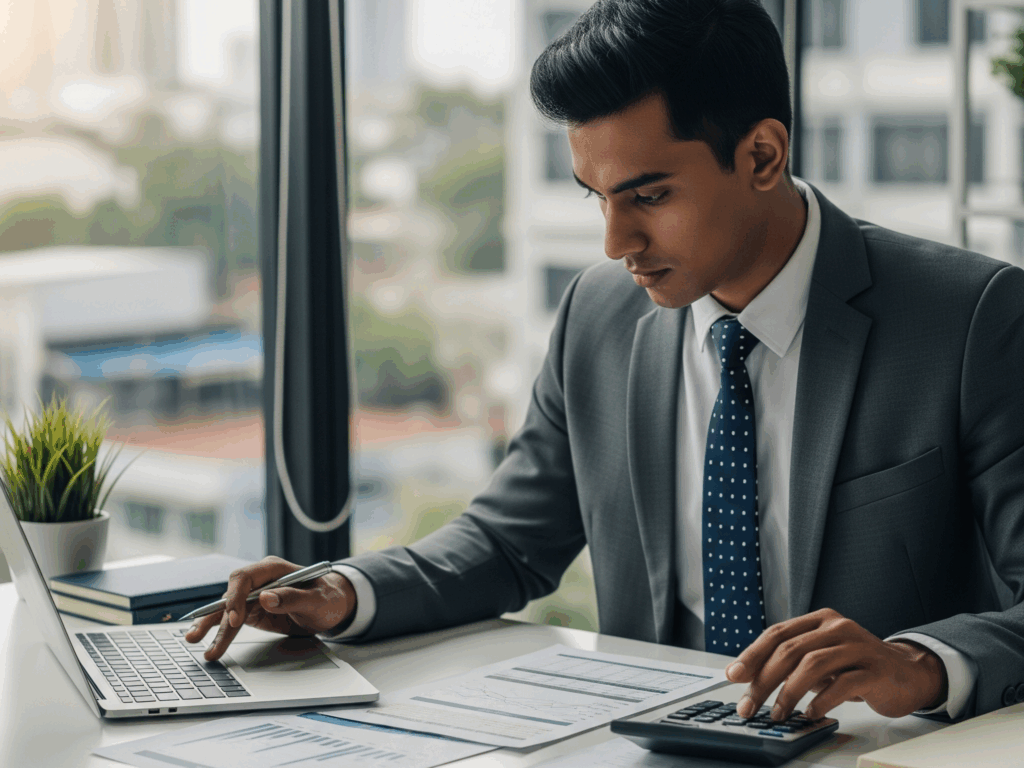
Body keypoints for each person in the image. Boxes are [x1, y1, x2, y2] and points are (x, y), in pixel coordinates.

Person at [186, 0, 1024, 724]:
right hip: (652, 743)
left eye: (649, 196)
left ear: (763, 156)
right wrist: (344, 593)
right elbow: (509, 542)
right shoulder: (598, 311)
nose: (617, 243)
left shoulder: (971, 319)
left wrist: (917, 665)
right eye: (598, 196)